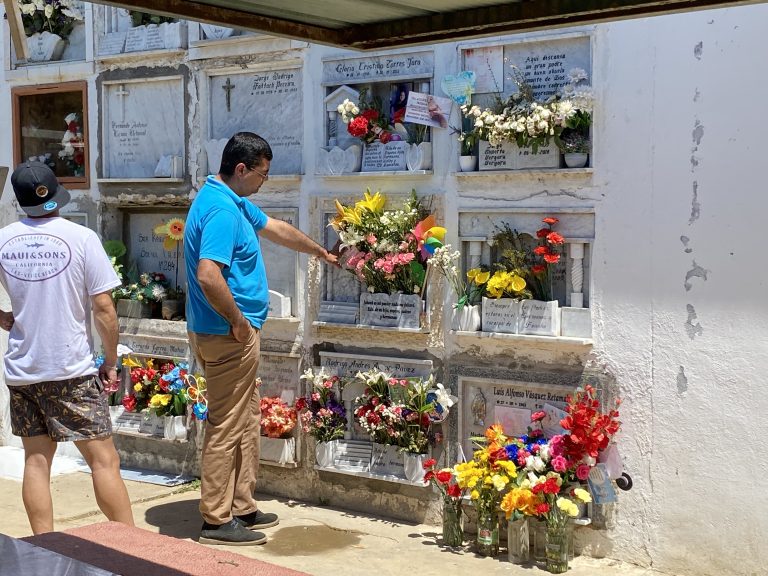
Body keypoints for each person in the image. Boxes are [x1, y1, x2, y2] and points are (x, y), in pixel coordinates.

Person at [185, 132, 338, 546]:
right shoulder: (220, 211)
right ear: (241, 169)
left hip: (232, 333)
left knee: (246, 418)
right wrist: (236, 321)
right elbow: (208, 274)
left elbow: (276, 229)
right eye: (262, 175)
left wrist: (319, 252)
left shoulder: (232, 201)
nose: (264, 182)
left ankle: (242, 505)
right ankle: (216, 520)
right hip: (226, 334)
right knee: (226, 424)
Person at [0, 161, 134, 535]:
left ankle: (45, 546)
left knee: (36, 461)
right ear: (56, 196)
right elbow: (103, 307)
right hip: (70, 369)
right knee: (104, 461)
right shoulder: (81, 237)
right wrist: (110, 359)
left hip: (23, 370)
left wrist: (2, 317)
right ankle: (134, 548)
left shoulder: (4, 238)